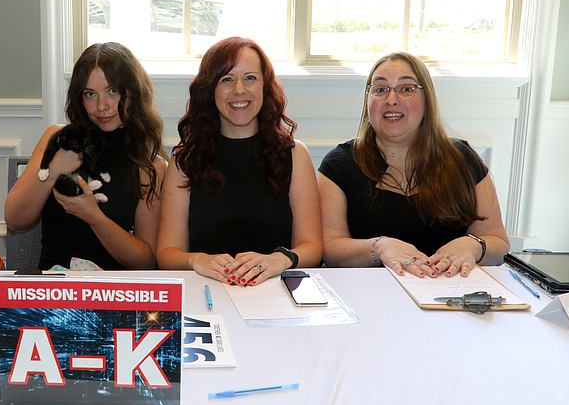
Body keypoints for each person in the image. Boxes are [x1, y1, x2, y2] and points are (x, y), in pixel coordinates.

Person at [317, 51, 509, 277]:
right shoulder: (338, 165)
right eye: (380, 89)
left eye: (406, 89)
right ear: (368, 101)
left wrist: (473, 245)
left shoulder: (464, 160)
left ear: (427, 99)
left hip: (451, 294)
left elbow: (497, 241)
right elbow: (330, 250)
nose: (391, 99)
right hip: (370, 295)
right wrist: (380, 247)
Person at [156, 36, 323, 286]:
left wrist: (281, 259)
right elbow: (166, 253)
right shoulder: (185, 160)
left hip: (274, 293)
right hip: (206, 291)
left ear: (265, 87)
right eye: (227, 79)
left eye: (250, 78)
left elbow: (312, 246)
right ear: (209, 89)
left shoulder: (295, 154)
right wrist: (196, 260)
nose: (239, 90)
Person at [4, 42, 167, 270]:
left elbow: (145, 261)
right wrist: (52, 172)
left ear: (133, 93)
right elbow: (14, 219)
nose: (102, 106)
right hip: (53, 288)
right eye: (90, 94)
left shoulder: (150, 166)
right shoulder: (58, 138)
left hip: (114, 292)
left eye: (113, 91)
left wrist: (94, 217)